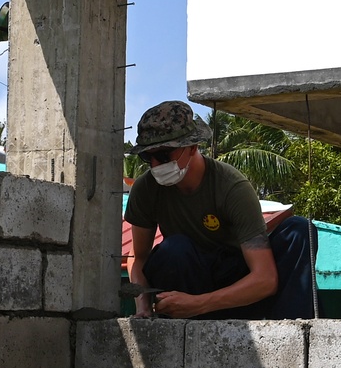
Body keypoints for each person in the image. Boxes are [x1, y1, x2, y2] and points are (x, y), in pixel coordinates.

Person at [125, 100, 317, 320]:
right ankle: (181, 327)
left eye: (164, 155)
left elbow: (265, 278)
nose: (156, 165)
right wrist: (143, 307)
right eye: (148, 157)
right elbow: (138, 257)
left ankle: (293, 333)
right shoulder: (146, 189)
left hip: (238, 289)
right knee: (173, 250)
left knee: (299, 231)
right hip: (188, 281)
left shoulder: (231, 187)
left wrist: (199, 304)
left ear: (193, 146)